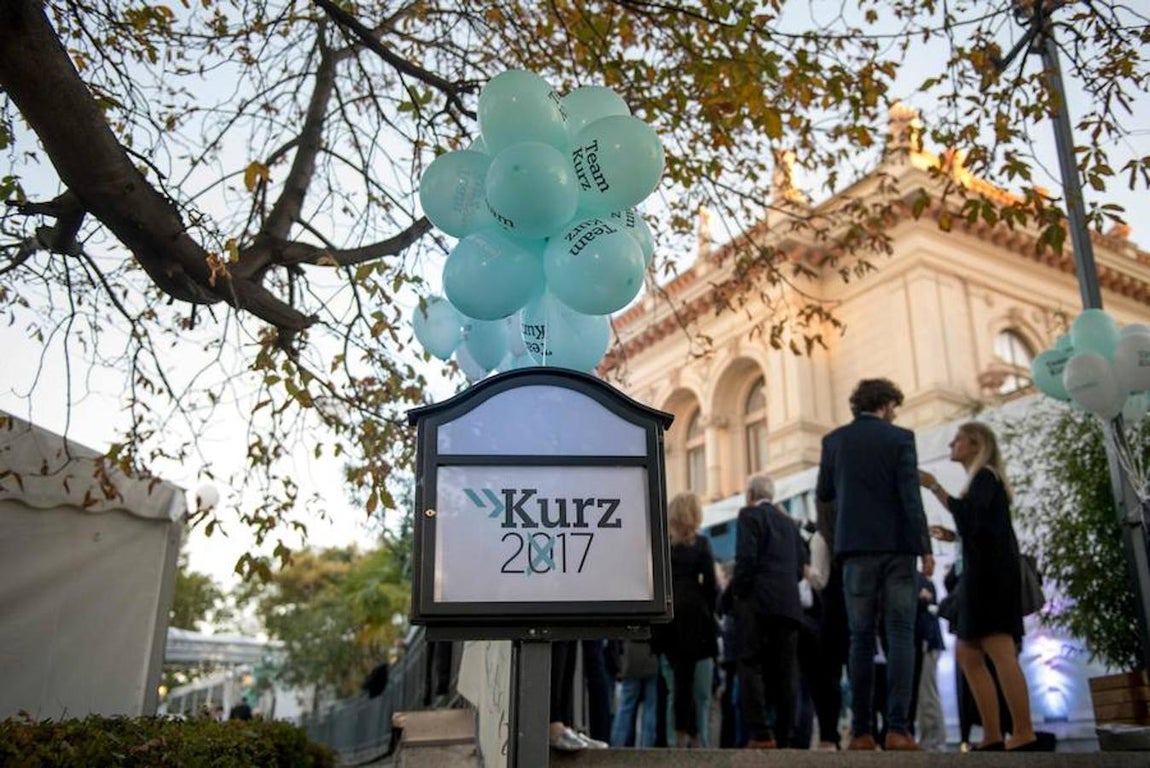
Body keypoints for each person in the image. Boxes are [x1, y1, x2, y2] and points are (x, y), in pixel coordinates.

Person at [815, 378, 933, 751]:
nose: (895, 413)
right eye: (894, 406)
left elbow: (824, 492)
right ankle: (897, 729)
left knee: (860, 639)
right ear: (884, 404)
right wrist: (925, 548)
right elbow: (910, 498)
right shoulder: (901, 439)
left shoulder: (834, 442)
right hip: (899, 550)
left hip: (855, 550)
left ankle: (862, 733)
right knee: (900, 634)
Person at [919, 421, 1048, 752]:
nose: (951, 445)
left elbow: (973, 519)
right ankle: (992, 734)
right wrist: (955, 535)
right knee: (968, 653)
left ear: (977, 443)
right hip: (983, 577)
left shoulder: (986, 476)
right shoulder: (983, 480)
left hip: (990, 580)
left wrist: (935, 487)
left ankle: (1022, 731)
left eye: (958, 440)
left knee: (999, 649)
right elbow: (980, 527)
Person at [731, 475, 805, 749]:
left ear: (750, 494)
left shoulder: (748, 515)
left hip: (756, 604)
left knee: (750, 664)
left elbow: (746, 559)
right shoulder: (789, 523)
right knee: (786, 672)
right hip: (788, 606)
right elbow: (799, 569)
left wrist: (739, 592)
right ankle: (785, 735)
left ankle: (761, 733)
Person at [651, 491, 718, 748]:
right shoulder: (701, 544)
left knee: (674, 688)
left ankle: (675, 741)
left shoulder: (662, 546)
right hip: (697, 622)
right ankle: (700, 741)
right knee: (701, 691)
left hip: (668, 623)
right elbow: (711, 585)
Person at [913, 572, 946, 750]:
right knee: (924, 693)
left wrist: (925, 639)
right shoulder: (919, 581)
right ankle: (930, 738)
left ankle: (933, 739)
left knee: (927, 693)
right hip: (924, 644)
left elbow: (929, 612)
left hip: (926, 644)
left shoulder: (920, 582)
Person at [609, 639, 660, 747]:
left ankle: (617, 745)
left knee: (625, 706)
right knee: (650, 708)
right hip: (652, 654)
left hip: (631, 656)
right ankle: (647, 747)